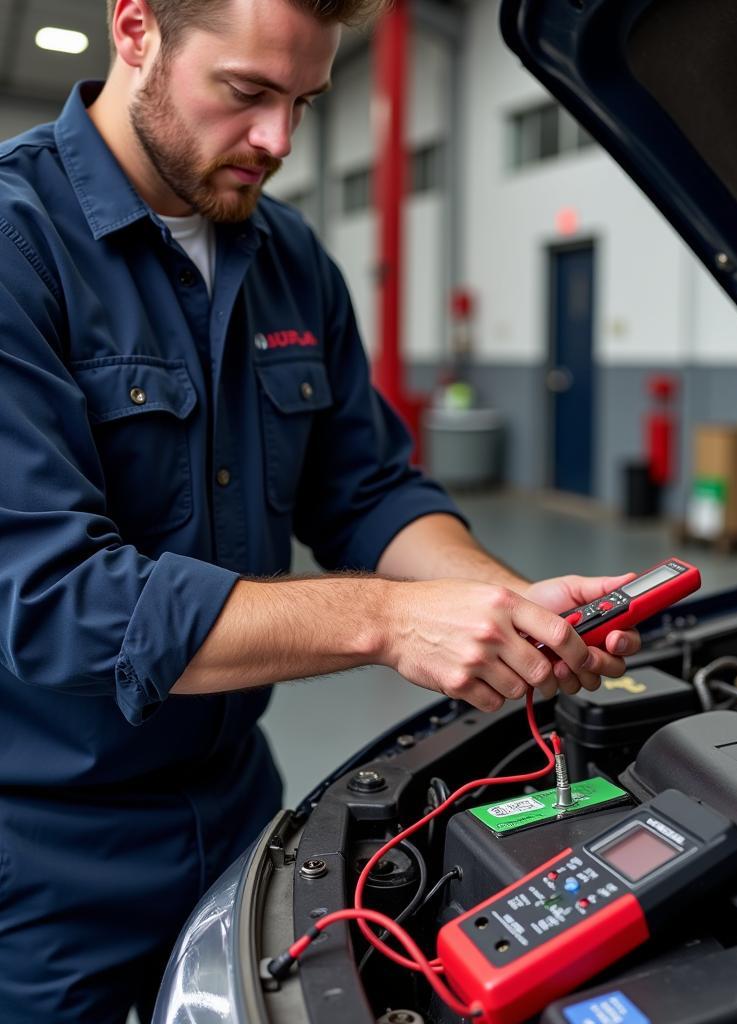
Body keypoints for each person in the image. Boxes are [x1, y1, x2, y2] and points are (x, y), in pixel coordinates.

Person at [0, 0, 642, 1020]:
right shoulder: (16, 244)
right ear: (135, 30)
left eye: (303, 100)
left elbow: (370, 491)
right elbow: (57, 600)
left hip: (243, 808)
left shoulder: (287, 257)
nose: (279, 142)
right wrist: (388, 622)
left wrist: (505, 605)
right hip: (43, 850)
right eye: (247, 93)